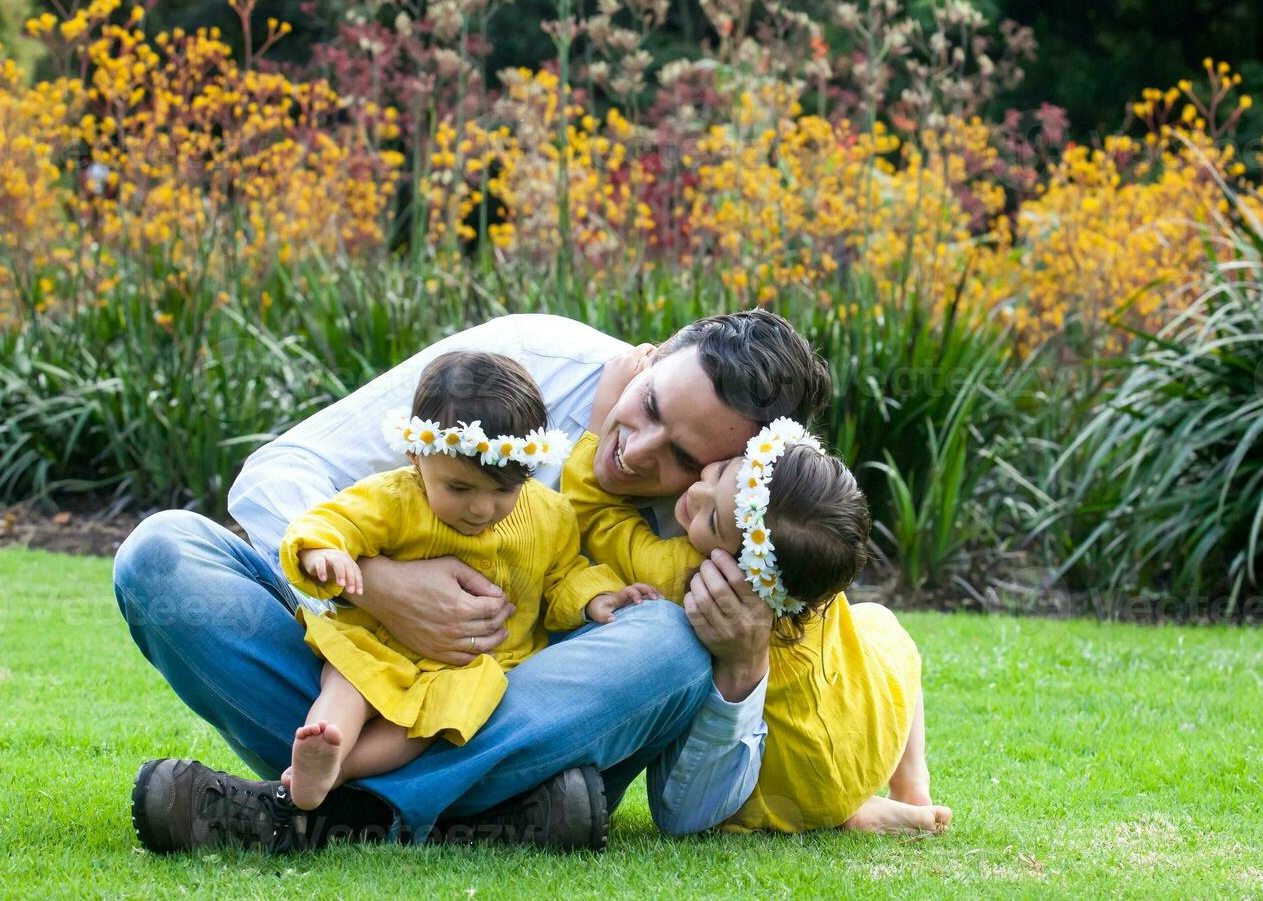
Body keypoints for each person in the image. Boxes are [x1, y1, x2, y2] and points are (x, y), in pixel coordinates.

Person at [114, 309, 828, 852]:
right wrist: (379, 584)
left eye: (679, 455)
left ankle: (317, 812)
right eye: (649, 407)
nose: (634, 452)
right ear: (655, 354)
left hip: (517, 711)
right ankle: (486, 819)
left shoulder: (731, 528)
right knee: (161, 558)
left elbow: (688, 814)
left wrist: (741, 667)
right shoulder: (522, 365)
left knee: (670, 641)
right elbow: (280, 474)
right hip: (365, 677)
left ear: (733, 466)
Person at [562, 366, 953, 836]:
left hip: (794, 780)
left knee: (784, 779)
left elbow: (599, 520)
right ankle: (909, 785)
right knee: (881, 622)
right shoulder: (809, 569)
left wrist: (601, 416)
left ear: (740, 564)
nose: (696, 493)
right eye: (723, 470)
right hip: (866, 727)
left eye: (709, 519)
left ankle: (845, 809)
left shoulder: (698, 579)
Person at [279, 351, 658, 810]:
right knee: (349, 679)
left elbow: (562, 575)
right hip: (379, 644)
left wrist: (595, 597)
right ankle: (325, 741)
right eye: (459, 489)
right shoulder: (394, 498)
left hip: (465, 668)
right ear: (417, 456)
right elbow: (335, 520)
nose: (481, 509)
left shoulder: (549, 515)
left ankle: (342, 768)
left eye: (504, 490)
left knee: (428, 723)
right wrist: (324, 550)